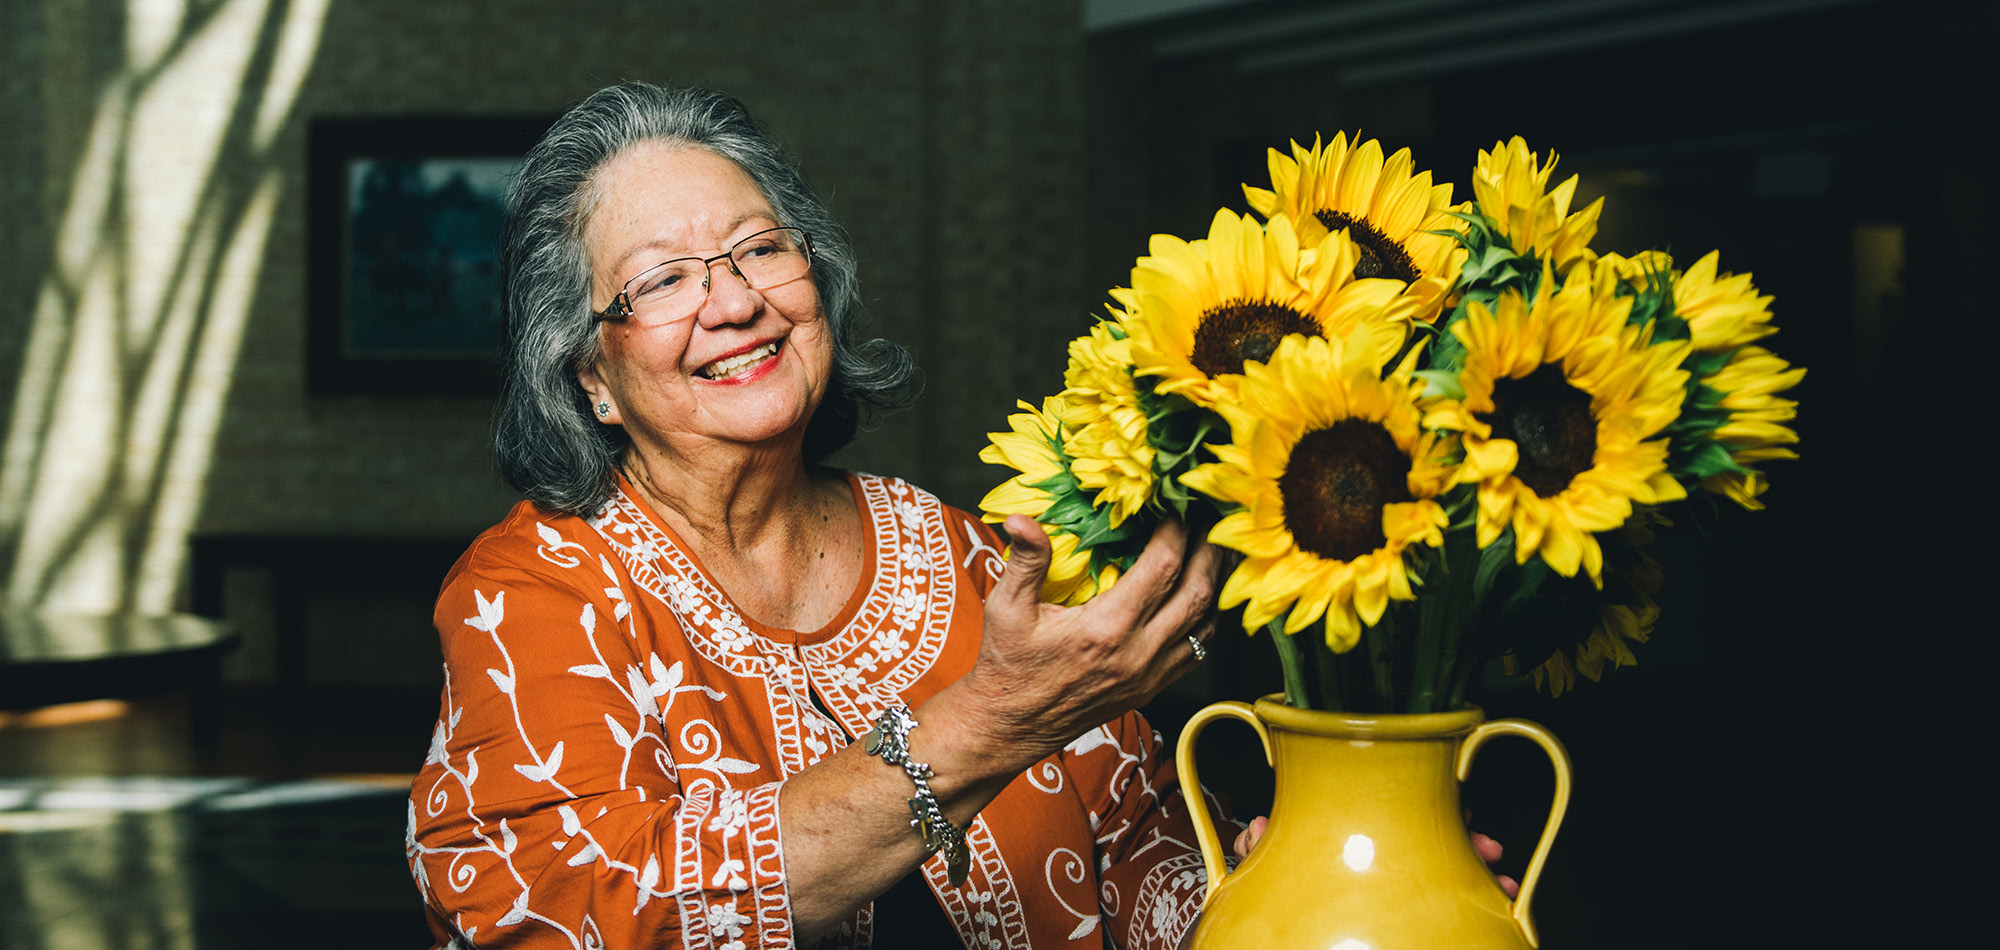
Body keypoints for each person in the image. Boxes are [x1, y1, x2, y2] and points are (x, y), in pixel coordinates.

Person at [405, 81, 1233, 950]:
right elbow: (568, 908)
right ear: (592, 378)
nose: (733, 303)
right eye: (662, 280)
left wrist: (1244, 895)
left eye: (759, 250)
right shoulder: (532, 591)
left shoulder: (969, 555)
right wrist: (990, 723)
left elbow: (1138, 841)